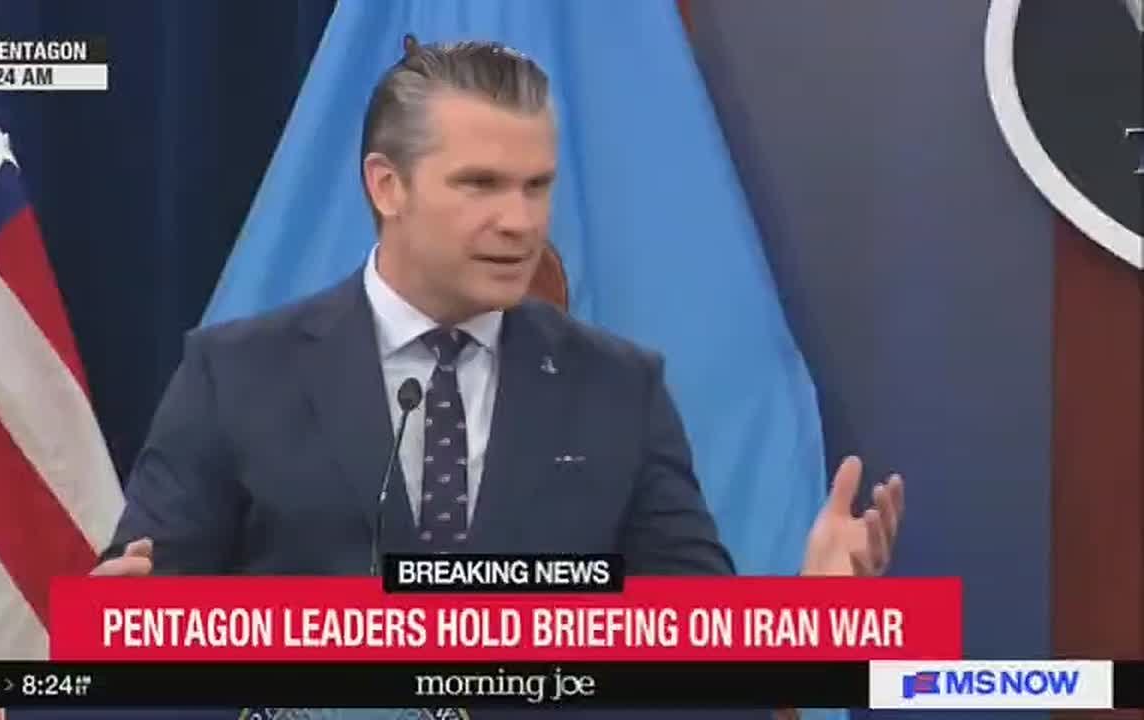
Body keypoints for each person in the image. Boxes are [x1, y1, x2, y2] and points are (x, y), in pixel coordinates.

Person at [95, 37, 904, 587]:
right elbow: (143, 628)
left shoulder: (620, 389)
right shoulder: (235, 374)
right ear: (387, 186)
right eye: (480, 184)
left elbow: (692, 661)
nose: (519, 221)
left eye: (536, 186)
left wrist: (810, 614)